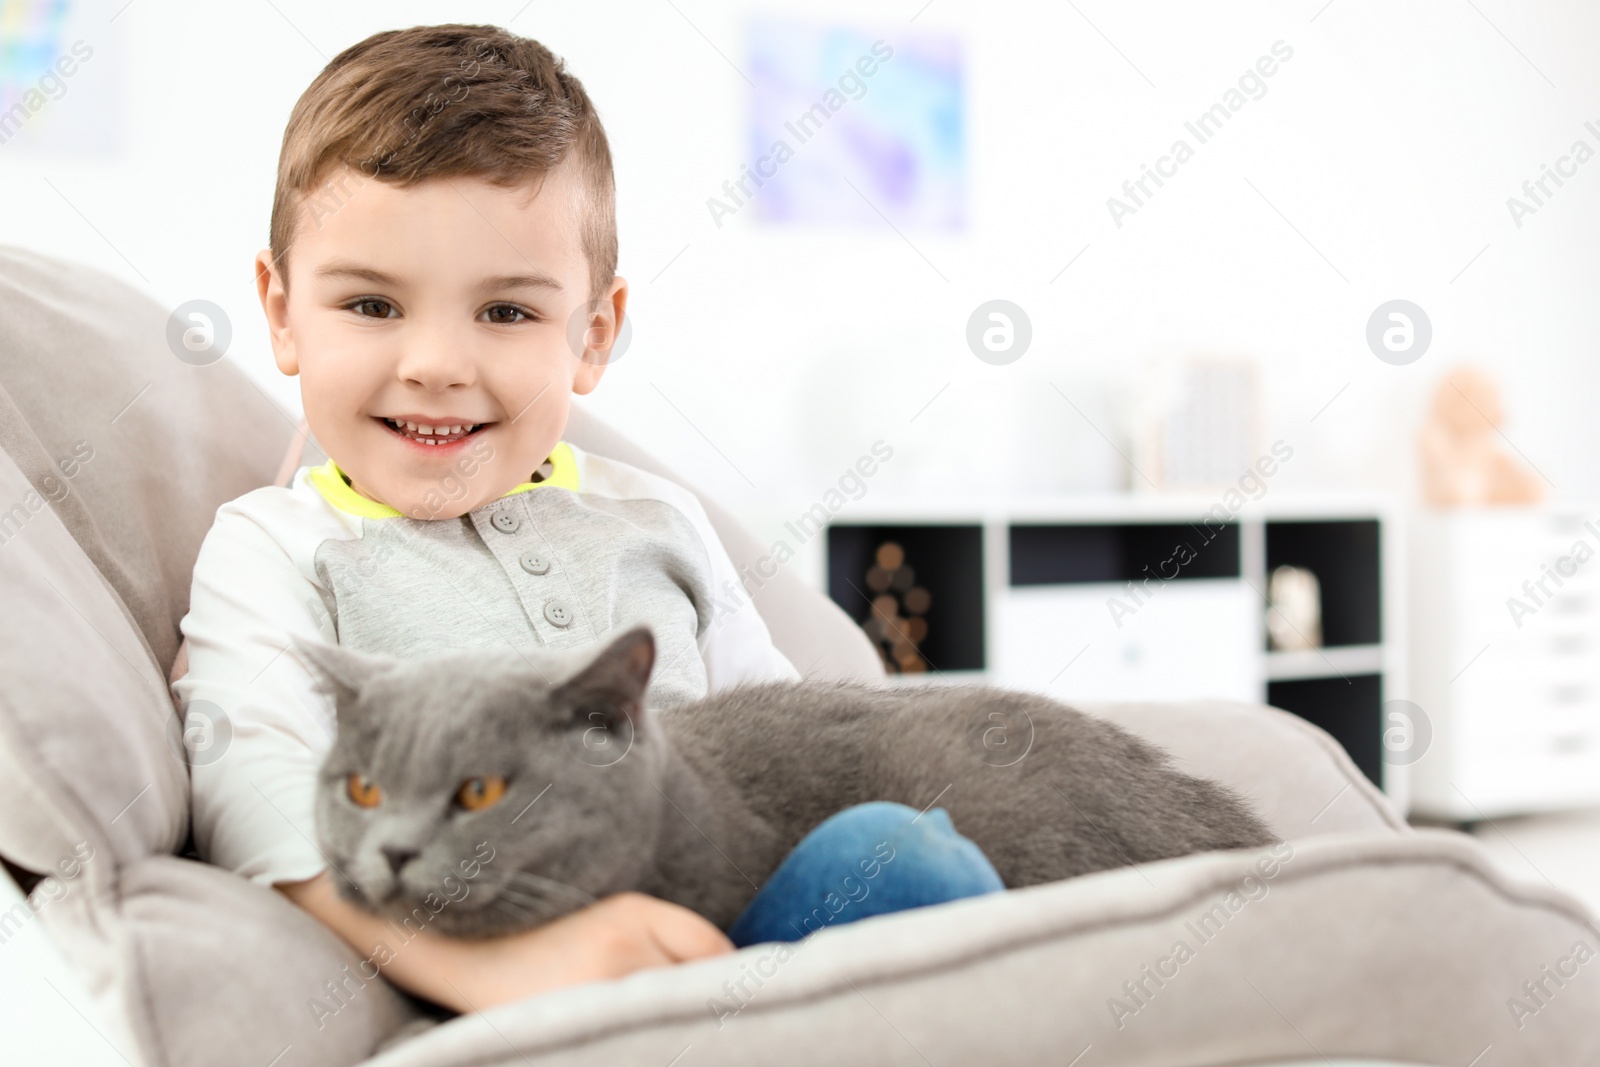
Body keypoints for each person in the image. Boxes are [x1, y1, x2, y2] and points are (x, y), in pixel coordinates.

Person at [173, 23, 1001, 1015]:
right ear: (280, 311)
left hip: (736, 946)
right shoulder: (277, 543)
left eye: (507, 312)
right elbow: (247, 784)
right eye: (372, 304)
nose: (435, 362)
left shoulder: (656, 518)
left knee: (911, 848)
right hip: (511, 991)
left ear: (592, 334)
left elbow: (791, 735)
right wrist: (489, 966)